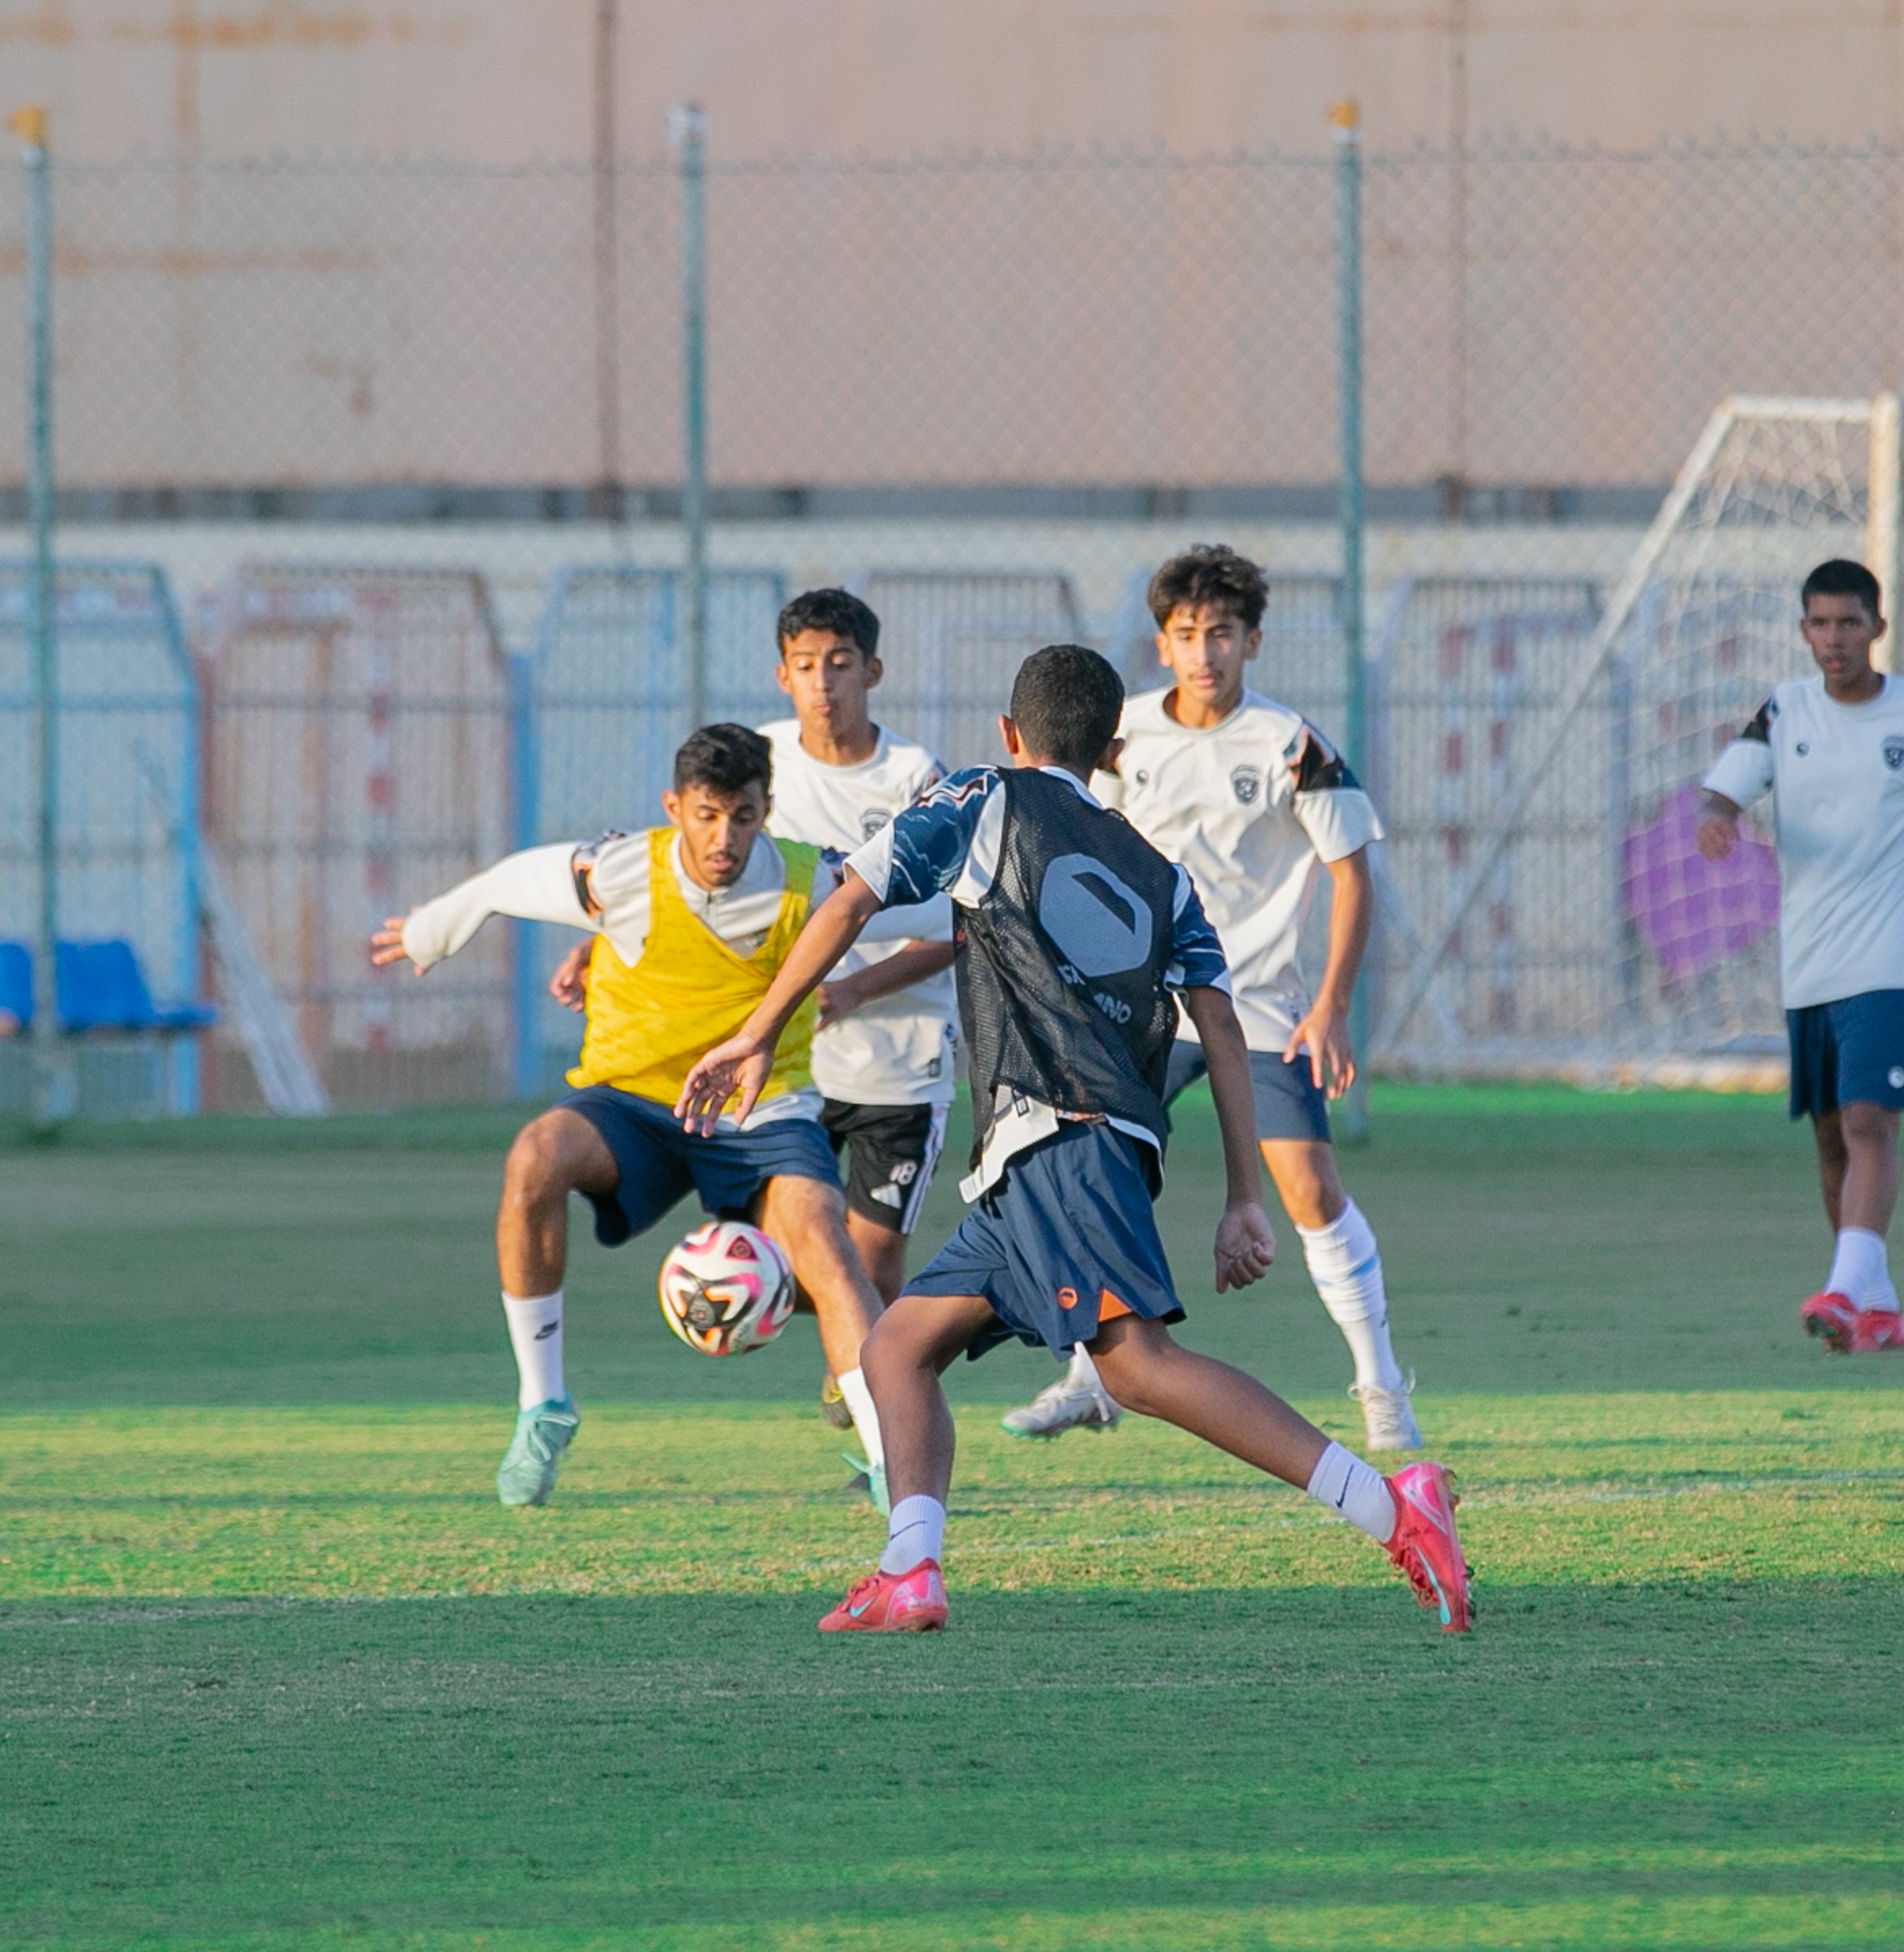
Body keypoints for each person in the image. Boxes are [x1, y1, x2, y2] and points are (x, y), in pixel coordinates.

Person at [676, 645, 1471, 1637]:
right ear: (1114, 751)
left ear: (1011, 735)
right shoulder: (1163, 874)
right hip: (1072, 1151)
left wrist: (755, 1032)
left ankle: (1393, 1506)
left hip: (1059, 1136)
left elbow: (852, 897)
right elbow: (1220, 1027)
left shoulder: (980, 798)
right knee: (896, 1348)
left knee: (1137, 1365)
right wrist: (1242, 1197)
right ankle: (908, 1570)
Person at [370, 722, 899, 1511]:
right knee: (534, 1159)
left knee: (826, 1243)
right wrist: (432, 931)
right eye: (707, 814)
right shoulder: (617, 871)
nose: (725, 837)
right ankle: (542, 1407)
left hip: (762, 1109)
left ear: (767, 809)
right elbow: (505, 882)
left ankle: (893, 1453)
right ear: (674, 807)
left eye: (744, 817)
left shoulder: (811, 881)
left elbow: (935, 917)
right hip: (635, 1101)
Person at [1005, 545, 1420, 1454]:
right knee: (1097, 1177)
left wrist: (1335, 1006)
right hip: (1137, 1007)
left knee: (1307, 1188)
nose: (1205, 653)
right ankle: (1090, 1376)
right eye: (1188, 635)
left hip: (1258, 1002)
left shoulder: (1291, 746)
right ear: (1163, 643)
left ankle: (1381, 1383)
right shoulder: (1122, 738)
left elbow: (1353, 874)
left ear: (1253, 640)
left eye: (1222, 634)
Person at [549, 587, 958, 1432]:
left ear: (871, 672)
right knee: (809, 1253)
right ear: (782, 675)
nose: (824, 684)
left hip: (895, 1058)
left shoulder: (916, 778)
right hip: (769, 1072)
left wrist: (844, 988)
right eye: (807, 667)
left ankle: (860, 1385)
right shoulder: (756, 766)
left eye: (840, 665)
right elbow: (672, 869)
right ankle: (856, 1378)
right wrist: (600, 940)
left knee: (869, 1268)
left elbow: (957, 924)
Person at [1696, 557, 1904, 1353]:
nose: (1833, 639)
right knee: (1830, 1138)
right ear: (1802, 630)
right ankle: (1877, 1304)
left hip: (1891, 957)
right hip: (1811, 963)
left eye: (1849, 622)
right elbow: (1723, 791)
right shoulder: (1784, 711)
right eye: (1819, 623)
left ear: (1877, 628)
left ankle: (1844, 1288)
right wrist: (1715, 819)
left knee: (1869, 1121)